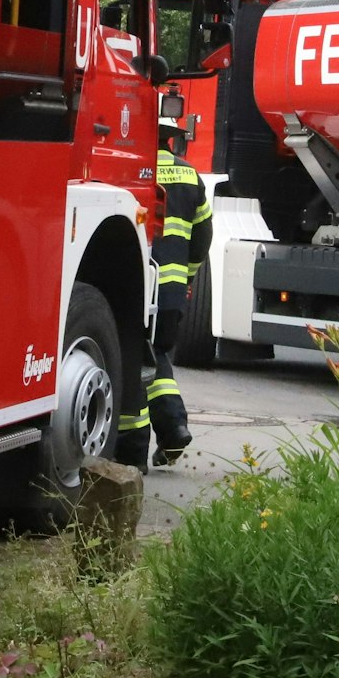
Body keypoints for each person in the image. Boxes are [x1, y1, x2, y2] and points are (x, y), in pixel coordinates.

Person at [116, 114, 212, 469]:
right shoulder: (189, 175)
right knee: (156, 354)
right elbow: (203, 236)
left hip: (139, 287)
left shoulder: (129, 168)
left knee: (136, 359)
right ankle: (173, 428)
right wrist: (185, 277)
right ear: (170, 137)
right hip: (171, 293)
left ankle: (136, 450)